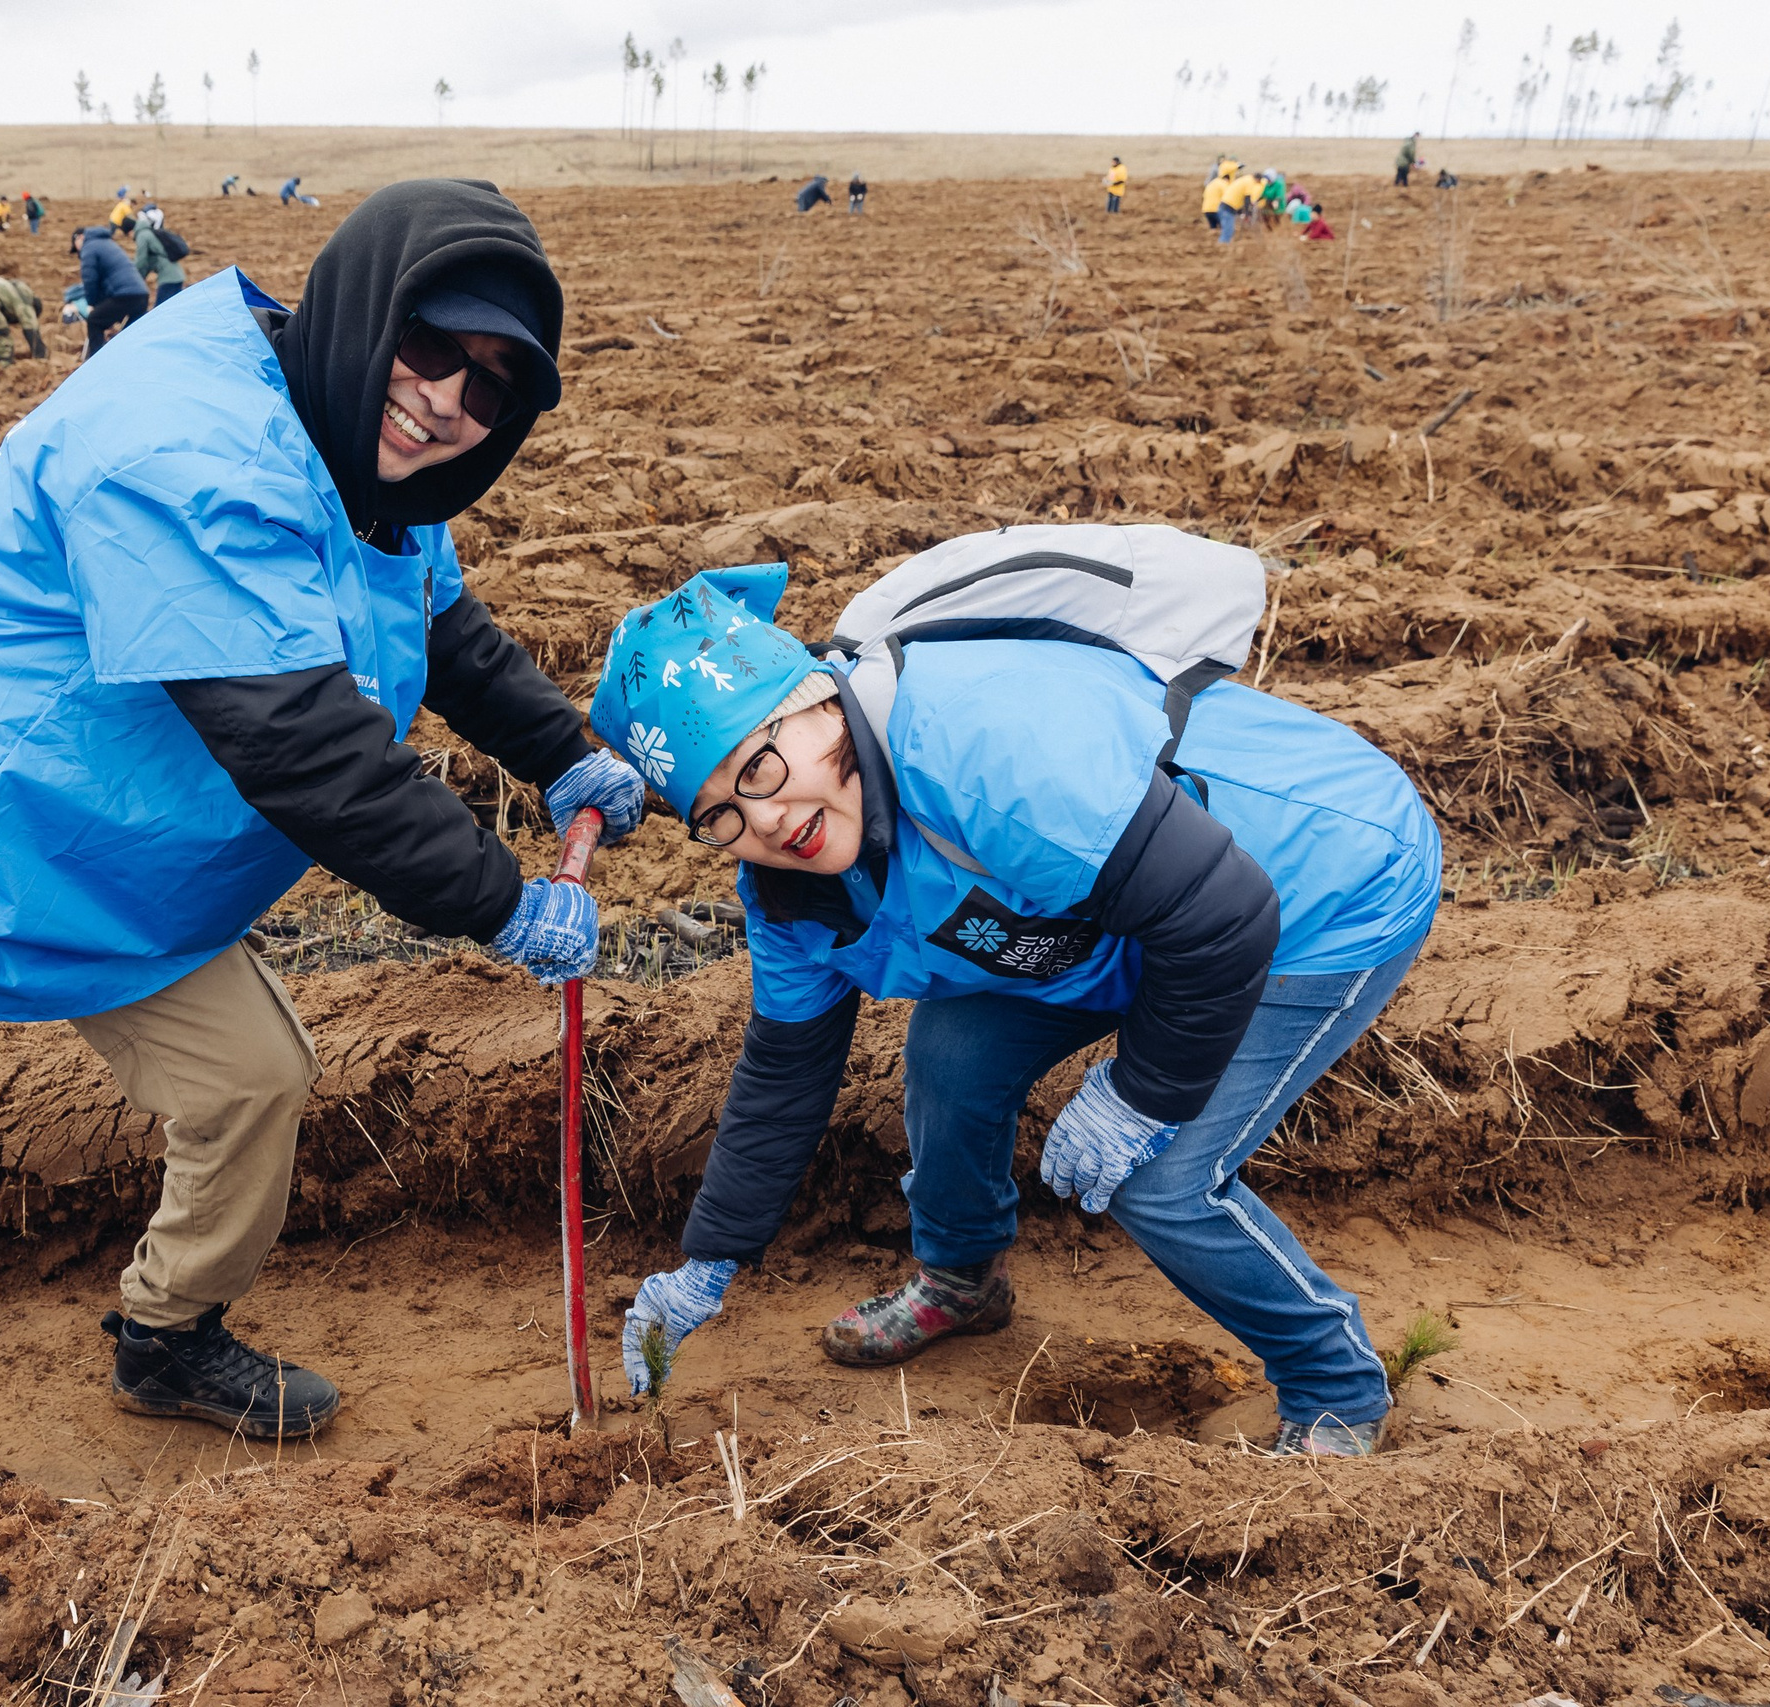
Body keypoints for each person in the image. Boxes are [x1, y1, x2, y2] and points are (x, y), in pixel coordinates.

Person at [0, 178, 637, 1474]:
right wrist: (502, 901)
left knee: (254, 1079)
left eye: (494, 388)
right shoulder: (187, 449)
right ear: (366, 312)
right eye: (432, 351)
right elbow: (301, 746)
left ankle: (168, 1332)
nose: (449, 402)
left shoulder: (362, 455)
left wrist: (565, 755)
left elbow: (440, 623)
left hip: (125, 866)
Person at [595, 560, 1442, 1459]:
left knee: (1162, 1179)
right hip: (1118, 919)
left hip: (1319, 886)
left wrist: (1139, 1094)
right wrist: (709, 1258)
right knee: (955, 1055)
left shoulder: (980, 753)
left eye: (760, 764)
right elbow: (785, 1071)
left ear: (817, 697)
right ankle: (962, 1278)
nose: (763, 821)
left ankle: (1334, 1387)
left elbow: (1223, 914)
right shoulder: (791, 897)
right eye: (720, 812)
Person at [77, 226, 151, 357]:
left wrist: (92, 304)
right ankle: (132, 360)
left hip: (126, 295)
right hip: (141, 293)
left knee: (94, 320)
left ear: (80, 237)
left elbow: (90, 279)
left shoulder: (88, 247)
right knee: (129, 334)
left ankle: (97, 363)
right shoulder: (107, 243)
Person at [133, 213, 185, 307]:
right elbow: (147, 263)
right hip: (177, 275)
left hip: (169, 278)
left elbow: (141, 261)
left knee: (160, 309)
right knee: (174, 307)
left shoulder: (142, 235)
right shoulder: (150, 233)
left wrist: (135, 280)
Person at [1216, 168, 1252, 243]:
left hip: (1226, 207)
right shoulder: (1244, 185)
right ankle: (1223, 245)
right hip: (1227, 208)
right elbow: (1246, 200)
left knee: (1228, 230)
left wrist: (1242, 212)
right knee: (1228, 230)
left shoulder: (1236, 185)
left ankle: (1223, 244)